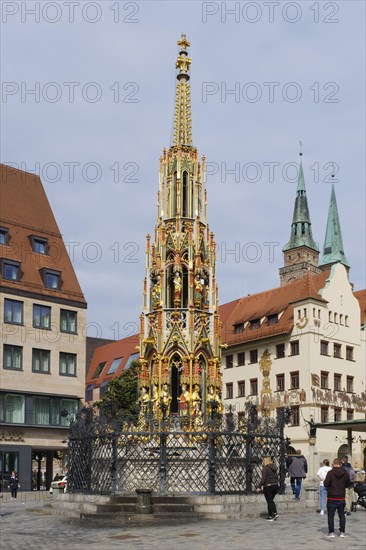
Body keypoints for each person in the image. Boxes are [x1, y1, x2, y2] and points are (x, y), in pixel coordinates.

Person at [324, 457, 351, 538]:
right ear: (340, 464)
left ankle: (331, 532)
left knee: (331, 516)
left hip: (332, 497)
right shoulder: (345, 473)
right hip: (341, 497)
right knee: (342, 515)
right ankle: (342, 532)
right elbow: (348, 484)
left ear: (334, 464)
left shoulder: (330, 473)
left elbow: (326, 484)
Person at [256, 456, 279, 521]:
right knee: (271, 500)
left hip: (268, 486)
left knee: (269, 501)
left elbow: (263, 479)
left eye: (263, 461)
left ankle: (271, 515)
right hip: (275, 485)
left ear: (265, 461)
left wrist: (259, 487)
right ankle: (274, 513)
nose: (262, 462)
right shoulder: (274, 467)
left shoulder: (265, 468)